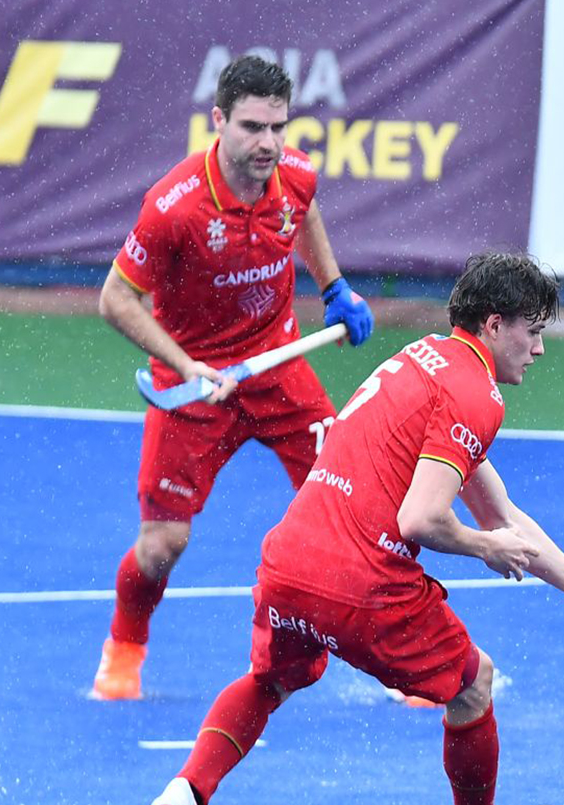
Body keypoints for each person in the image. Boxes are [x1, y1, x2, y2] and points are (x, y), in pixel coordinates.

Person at [146, 252, 564, 805]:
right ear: (494, 324)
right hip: (363, 583)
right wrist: (483, 548)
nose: (539, 349)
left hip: (290, 561)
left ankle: (186, 795)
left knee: (272, 679)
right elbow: (423, 520)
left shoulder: (422, 360)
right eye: (532, 331)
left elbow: (502, 513)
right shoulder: (476, 395)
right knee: (473, 683)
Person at [92, 54, 374, 701]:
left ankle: (393, 654)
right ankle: (125, 646)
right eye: (251, 127)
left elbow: (305, 213)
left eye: (278, 127)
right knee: (162, 545)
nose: (268, 143)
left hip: (279, 370)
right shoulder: (173, 206)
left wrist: (335, 287)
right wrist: (187, 365)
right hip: (193, 386)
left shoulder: (294, 173)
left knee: (354, 510)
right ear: (218, 121)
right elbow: (115, 299)